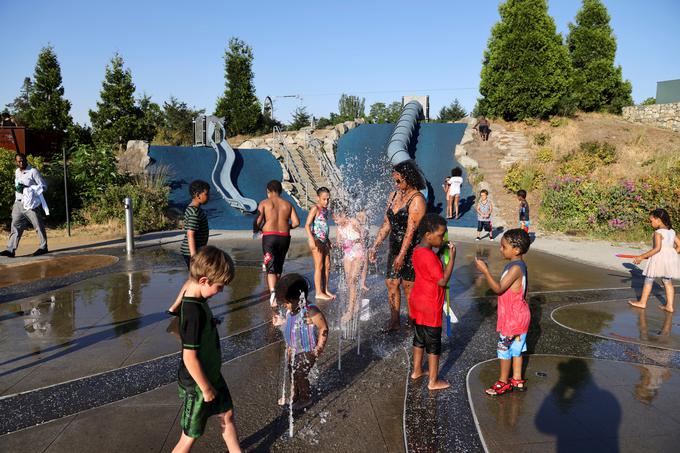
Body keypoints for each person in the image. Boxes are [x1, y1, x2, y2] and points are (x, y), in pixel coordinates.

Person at [172, 246, 241, 453]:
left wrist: (211, 322)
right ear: (203, 281)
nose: (221, 291)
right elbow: (189, 357)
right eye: (220, 287)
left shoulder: (199, 299)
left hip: (211, 374)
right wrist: (206, 388)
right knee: (190, 435)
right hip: (198, 383)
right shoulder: (193, 312)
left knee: (226, 413)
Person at [369, 160, 426, 331]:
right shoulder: (393, 196)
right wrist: (375, 246)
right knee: (391, 283)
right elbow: (387, 224)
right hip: (395, 246)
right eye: (394, 180)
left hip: (411, 249)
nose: (395, 184)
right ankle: (394, 321)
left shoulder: (417, 200)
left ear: (408, 178)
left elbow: (410, 231)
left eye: (398, 180)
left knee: (409, 286)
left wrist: (402, 256)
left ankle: (412, 320)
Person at [474, 228, 531, 396]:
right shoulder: (518, 265)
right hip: (519, 314)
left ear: (517, 250)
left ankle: (503, 382)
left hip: (513, 318)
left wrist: (485, 271)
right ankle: (517, 379)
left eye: (503, 247)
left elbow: (498, 289)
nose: (500, 249)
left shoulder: (515, 268)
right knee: (516, 349)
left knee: (503, 349)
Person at [409, 214, 455, 390]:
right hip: (430, 304)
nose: (443, 238)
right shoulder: (429, 256)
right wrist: (451, 259)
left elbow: (430, 263)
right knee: (434, 343)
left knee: (419, 337)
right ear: (428, 235)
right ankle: (433, 381)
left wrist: (439, 249)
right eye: (440, 235)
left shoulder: (418, 250)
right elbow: (442, 280)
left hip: (417, 300)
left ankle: (417, 370)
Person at [275, 273, 328, 410]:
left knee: (300, 373)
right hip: (293, 349)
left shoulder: (310, 311)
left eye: (287, 302)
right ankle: (294, 395)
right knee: (292, 371)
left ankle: (305, 398)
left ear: (297, 298)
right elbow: (290, 326)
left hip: (307, 349)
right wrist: (282, 322)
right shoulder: (290, 310)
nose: (285, 305)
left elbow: (323, 328)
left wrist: (318, 349)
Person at [166, 180, 211, 316]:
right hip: (193, 252)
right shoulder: (193, 212)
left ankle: (175, 307)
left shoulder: (194, 209)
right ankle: (197, 310)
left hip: (195, 251)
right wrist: (194, 256)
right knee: (200, 281)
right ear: (198, 195)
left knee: (194, 280)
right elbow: (190, 234)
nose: (208, 196)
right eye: (206, 194)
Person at [253, 180, 301, 308]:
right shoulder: (288, 204)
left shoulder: (264, 203)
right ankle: (278, 293)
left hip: (269, 237)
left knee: (270, 267)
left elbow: (257, 221)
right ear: (280, 191)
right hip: (284, 237)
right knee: (278, 266)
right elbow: (296, 222)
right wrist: (287, 226)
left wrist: (256, 230)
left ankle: (273, 296)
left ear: (268, 191)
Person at [629, 208, 680, 313]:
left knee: (649, 279)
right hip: (670, 259)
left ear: (658, 219)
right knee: (667, 281)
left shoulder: (658, 232)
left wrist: (641, 257)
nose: (650, 223)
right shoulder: (672, 231)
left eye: (651, 220)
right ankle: (669, 306)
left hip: (658, 259)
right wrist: (672, 253)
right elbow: (679, 246)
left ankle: (642, 302)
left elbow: (657, 249)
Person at [1, 153, 49, 258]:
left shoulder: (33, 172)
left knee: (38, 225)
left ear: (26, 160)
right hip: (18, 203)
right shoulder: (17, 172)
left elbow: (44, 187)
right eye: (19, 161)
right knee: (15, 226)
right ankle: (10, 250)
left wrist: (28, 188)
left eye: (22, 160)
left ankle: (43, 247)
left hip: (31, 204)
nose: (21, 163)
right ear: (16, 162)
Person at [332, 201, 366, 322]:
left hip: (357, 252)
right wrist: (339, 243)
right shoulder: (339, 228)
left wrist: (356, 240)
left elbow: (363, 234)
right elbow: (338, 241)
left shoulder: (353, 222)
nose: (335, 221)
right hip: (347, 254)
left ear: (343, 215)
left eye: (337, 218)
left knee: (352, 279)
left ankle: (350, 311)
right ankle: (355, 302)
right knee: (348, 280)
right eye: (334, 219)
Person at [304, 187, 334, 300]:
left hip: (324, 241)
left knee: (327, 266)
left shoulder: (325, 210)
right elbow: (307, 225)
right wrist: (311, 239)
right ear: (318, 198)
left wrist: (328, 240)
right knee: (319, 266)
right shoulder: (315, 209)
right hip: (316, 240)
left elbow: (323, 227)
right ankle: (318, 292)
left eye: (328, 199)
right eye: (324, 199)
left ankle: (325, 289)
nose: (326, 202)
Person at [356, 209, 371, 292]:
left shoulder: (366, 225)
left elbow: (367, 236)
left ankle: (362, 284)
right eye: (359, 217)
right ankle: (354, 282)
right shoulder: (355, 224)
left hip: (365, 247)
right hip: (357, 248)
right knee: (357, 265)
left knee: (365, 265)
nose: (361, 218)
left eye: (363, 217)